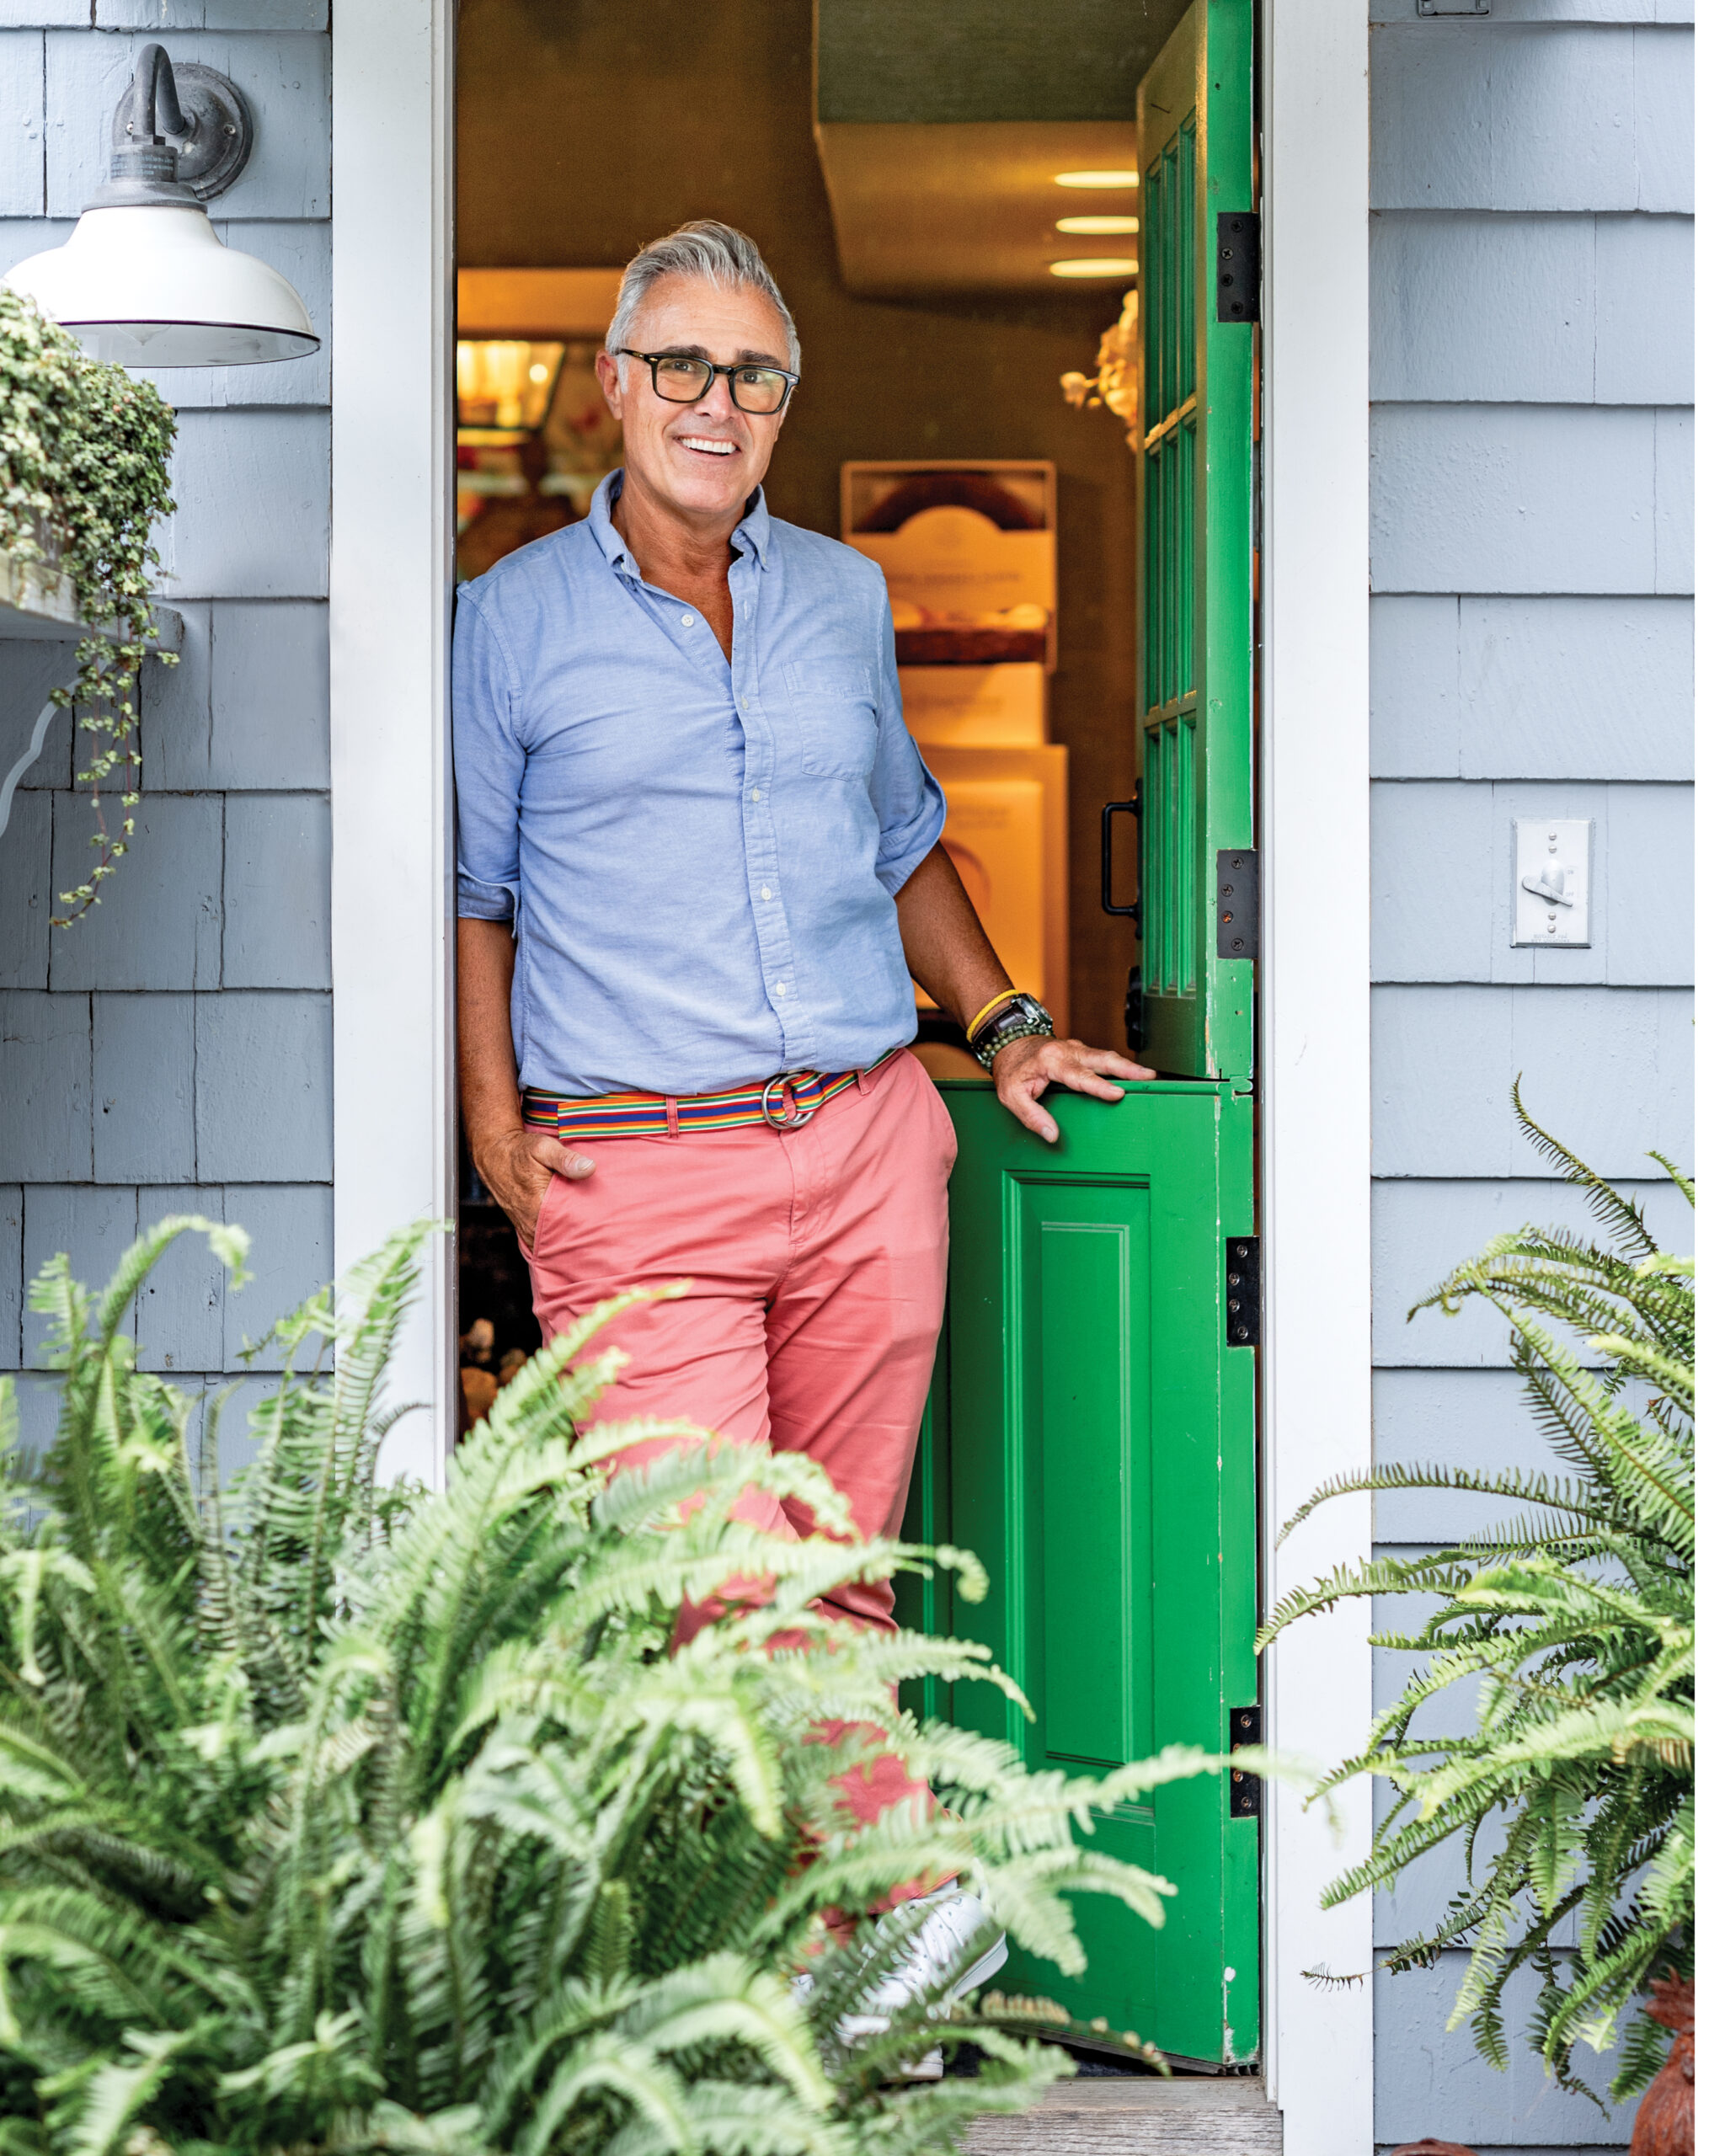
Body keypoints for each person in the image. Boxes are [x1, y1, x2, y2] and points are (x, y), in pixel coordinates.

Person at [453, 220, 1154, 2053]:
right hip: (636, 1168)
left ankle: (811, 2002)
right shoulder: (507, 620)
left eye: (751, 372)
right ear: (616, 384)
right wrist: (486, 1125)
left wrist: (996, 1022)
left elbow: (902, 832)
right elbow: (473, 893)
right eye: (679, 364)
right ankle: (919, 1903)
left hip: (861, 1142)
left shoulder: (842, 597)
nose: (715, 400)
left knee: (837, 1572)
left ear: (783, 399)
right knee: (716, 1581)